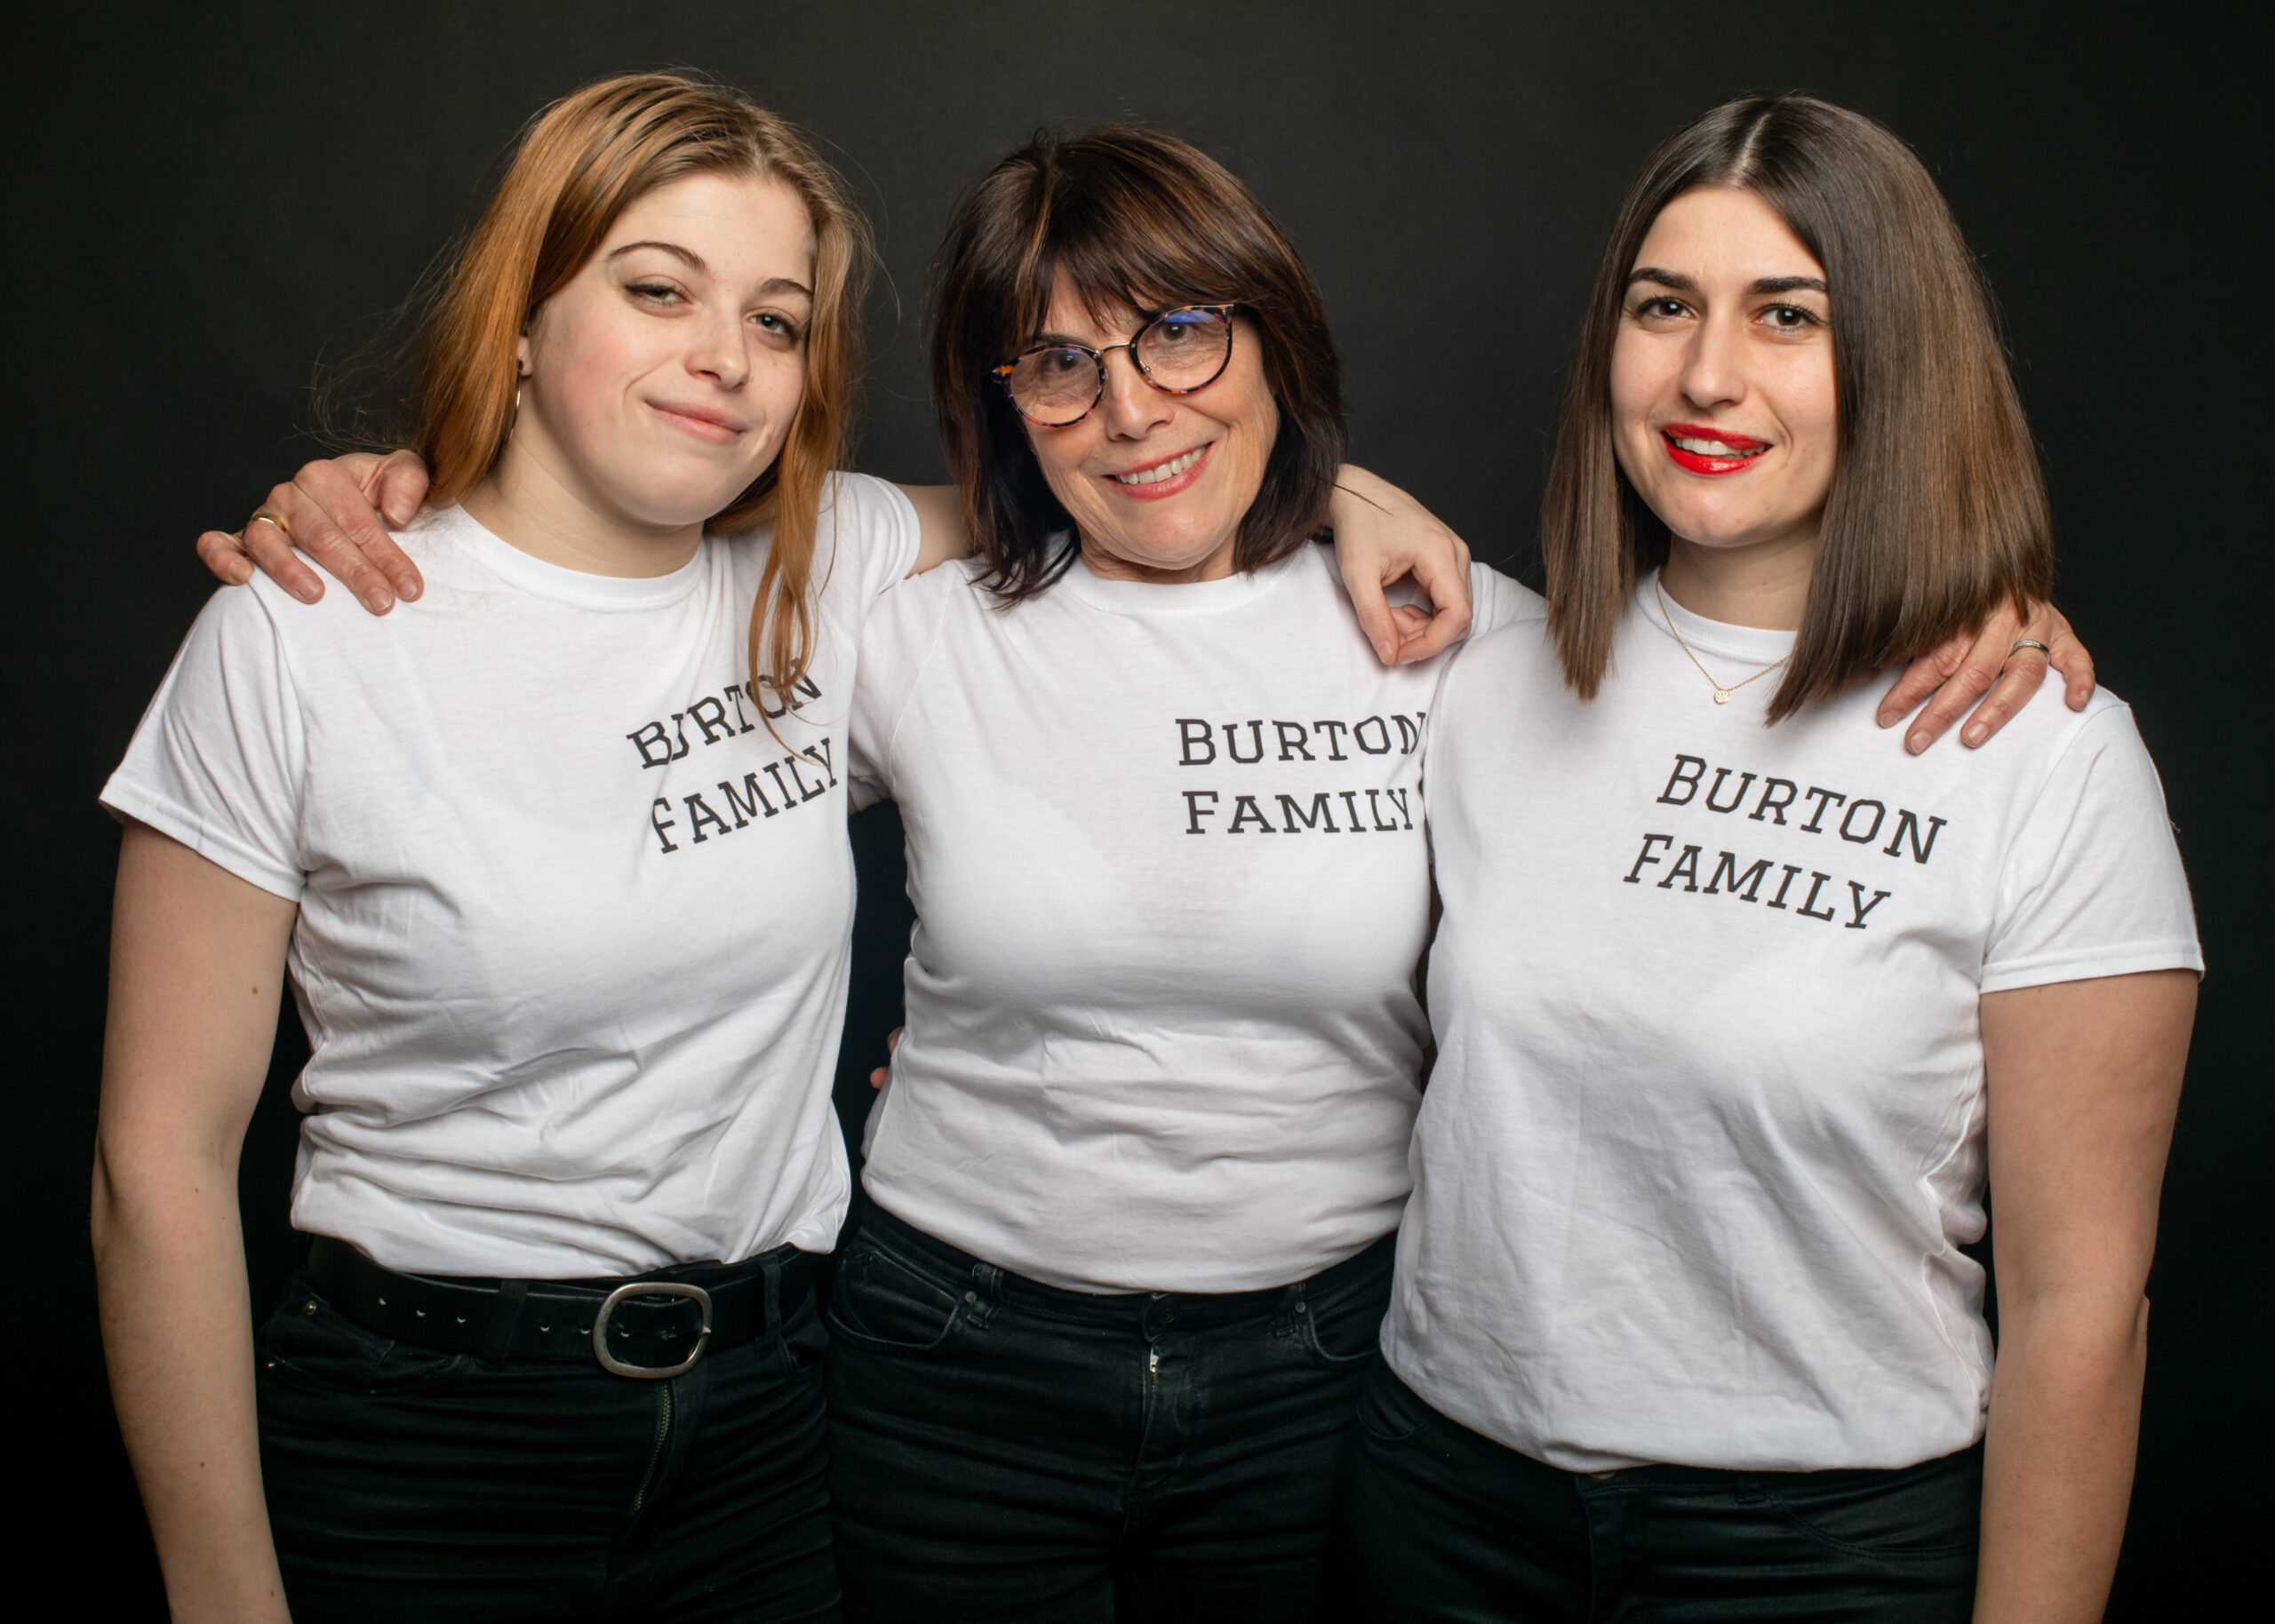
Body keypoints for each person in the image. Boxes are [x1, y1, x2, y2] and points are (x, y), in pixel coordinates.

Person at [206, 122, 2087, 1622]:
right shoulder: (894, 596)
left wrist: (1963, 604)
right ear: (996, 393)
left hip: (1324, 1371)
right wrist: (393, 493)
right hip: (949, 1357)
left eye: (1182, 331)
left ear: (1267, 328)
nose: (1129, 407)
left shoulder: (1461, 644)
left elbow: (1706, 700)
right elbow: (615, 546)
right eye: (1057, 361)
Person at [97, 71, 962, 1623]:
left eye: (778, 321)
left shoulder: (825, 572)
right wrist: (226, 1602)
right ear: (520, 311)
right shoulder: (303, 632)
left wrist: (1347, 502)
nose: (727, 359)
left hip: (771, 1436)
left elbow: (1118, 499)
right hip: (419, 1442)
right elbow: (154, 1164)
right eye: (657, 290)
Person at [1337, 94, 2200, 1623]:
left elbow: (2080, 1315)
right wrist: (1334, 490)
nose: (1707, 373)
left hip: (1818, 1558)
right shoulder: (1476, 669)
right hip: (1441, 1509)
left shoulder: (2046, 754)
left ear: (1898, 359)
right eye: (1664, 307)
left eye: (1785, 314)